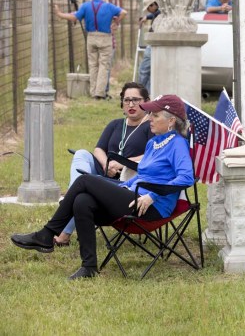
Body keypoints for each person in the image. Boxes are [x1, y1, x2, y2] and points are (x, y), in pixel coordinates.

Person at [10, 95, 194, 280]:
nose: (150, 118)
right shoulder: (153, 143)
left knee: (85, 180)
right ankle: (88, 267)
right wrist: (121, 186)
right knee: (83, 201)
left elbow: (186, 177)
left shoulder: (177, 144)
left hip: (150, 207)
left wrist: (152, 196)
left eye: (155, 115)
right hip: (132, 195)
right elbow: (143, 176)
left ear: (171, 120)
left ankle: (47, 234)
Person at [54, 82, 154, 246]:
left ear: (146, 101)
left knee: (81, 191)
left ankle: (64, 233)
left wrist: (121, 165)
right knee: (81, 154)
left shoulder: (150, 126)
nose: (130, 104)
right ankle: (74, 191)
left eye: (136, 100)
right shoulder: (116, 124)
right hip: (103, 171)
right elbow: (99, 149)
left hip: (126, 179)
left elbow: (151, 156)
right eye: (126, 99)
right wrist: (108, 164)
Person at [54, 0, 127, 100]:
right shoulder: (108, 6)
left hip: (91, 36)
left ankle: (93, 92)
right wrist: (116, 22)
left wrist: (60, 14)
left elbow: (74, 18)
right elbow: (123, 12)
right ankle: (100, 93)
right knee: (104, 66)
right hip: (105, 37)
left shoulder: (86, 6)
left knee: (93, 65)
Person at [137, 0, 161, 91]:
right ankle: (147, 92)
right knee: (152, 72)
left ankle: (139, 92)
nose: (148, 10)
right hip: (155, 44)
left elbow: (156, 14)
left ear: (153, 5)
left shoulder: (159, 14)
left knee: (144, 70)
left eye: (148, 8)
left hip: (153, 44)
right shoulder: (158, 13)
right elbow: (154, 14)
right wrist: (147, 17)